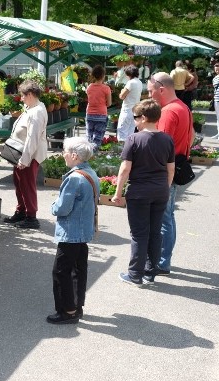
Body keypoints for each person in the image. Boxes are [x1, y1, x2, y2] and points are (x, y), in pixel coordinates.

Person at [114, 99, 175, 286]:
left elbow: (125, 169)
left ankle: (135, 275)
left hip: (139, 192)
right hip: (160, 191)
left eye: (136, 118)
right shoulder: (167, 139)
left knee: (139, 234)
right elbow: (170, 169)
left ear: (144, 118)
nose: (134, 121)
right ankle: (150, 272)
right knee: (155, 232)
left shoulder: (134, 139)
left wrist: (118, 193)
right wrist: (164, 187)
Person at [47, 137, 99, 324]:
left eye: (65, 151)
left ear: (75, 156)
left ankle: (67, 311)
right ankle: (77, 307)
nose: (63, 155)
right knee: (78, 270)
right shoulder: (90, 173)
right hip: (84, 231)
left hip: (70, 232)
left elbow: (62, 208)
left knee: (61, 272)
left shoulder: (74, 179)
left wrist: (53, 205)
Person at [148, 73, 194, 276]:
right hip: (177, 165)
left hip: (164, 170)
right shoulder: (183, 107)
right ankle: (164, 259)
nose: (149, 96)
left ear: (161, 89)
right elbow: (192, 136)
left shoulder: (167, 112)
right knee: (168, 216)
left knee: (163, 218)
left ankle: (161, 262)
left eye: (150, 91)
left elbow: (160, 146)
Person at [2, 79, 48, 229]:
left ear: (29, 94)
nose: (21, 98)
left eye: (22, 95)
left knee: (27, 184)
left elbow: (32, 138)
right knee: (19, 182)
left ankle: (31, 216)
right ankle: (21, 211)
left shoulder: (37, 112)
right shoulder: (33, 108)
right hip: (23, 153)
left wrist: (25, 159)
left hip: (29, 155)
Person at [85, 65, 112, 150]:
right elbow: (109, 103)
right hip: (101, 114)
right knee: (97, 138)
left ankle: (88, 155)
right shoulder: (106, 88)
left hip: (89, 114)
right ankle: (94, 156)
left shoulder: (89, 87)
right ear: (103, 76)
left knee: (89, 137)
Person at [117, 65, 143, 142]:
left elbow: (122, 96)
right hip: (135, 110)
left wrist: (121, 91)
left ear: (129, 74)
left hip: (127, 110)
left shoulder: (130, 83)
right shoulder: (139, 82)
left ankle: (121, 151)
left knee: (122, 132)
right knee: (130, 132)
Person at [211, 62, 219, 139]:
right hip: (217, 99)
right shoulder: (215, 78)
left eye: (218, 66)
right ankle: (218, 133)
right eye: (215, 66)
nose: (216, 68)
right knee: (218, 117)